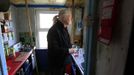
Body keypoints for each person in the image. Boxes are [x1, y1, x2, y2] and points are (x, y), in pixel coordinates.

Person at [47, 9, 75, 75]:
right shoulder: (53, 30)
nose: (71, 18)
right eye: (70, 16)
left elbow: (65, 43)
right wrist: (68, 50)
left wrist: (71, 46)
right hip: (56, 65)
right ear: (64, 17)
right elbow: (54, 49)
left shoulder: (64, 28)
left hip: (63, 62)